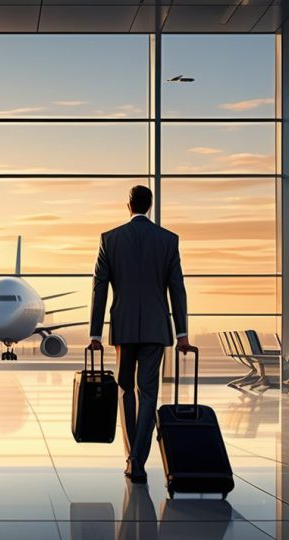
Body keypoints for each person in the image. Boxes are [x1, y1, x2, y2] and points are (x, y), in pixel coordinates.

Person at [88, 184, 193, 484]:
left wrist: (95, 333)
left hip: (123, 328)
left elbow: (99, 287)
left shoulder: (110, 239)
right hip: (156, 328)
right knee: (148, 393)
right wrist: (182, 332)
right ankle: (138, 460)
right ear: (149, 206)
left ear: (128, 206)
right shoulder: (168, 241)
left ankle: (130, 456)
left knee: (125, 389)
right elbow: (177, 289)